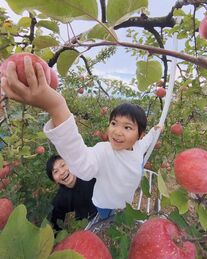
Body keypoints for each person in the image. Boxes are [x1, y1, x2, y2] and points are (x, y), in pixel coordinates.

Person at [1, 57, 162, 220]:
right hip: (104, 203)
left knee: (122, 217)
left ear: (139, 134)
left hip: (124, 202)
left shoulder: (139, 147)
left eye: (127, 127)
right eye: (114, 123)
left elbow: (147, 141)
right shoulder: (104, 151)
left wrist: (155, 131)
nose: (117, 132)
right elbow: (81, 162)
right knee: (106, 221)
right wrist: (57, 108)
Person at [46, 154, 97, 231]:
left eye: (63, 165)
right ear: (54, 181)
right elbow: (54, 226)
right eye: (56, 172)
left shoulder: (88, 174)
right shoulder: (60, 199)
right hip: (90, 226)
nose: (62, 172)